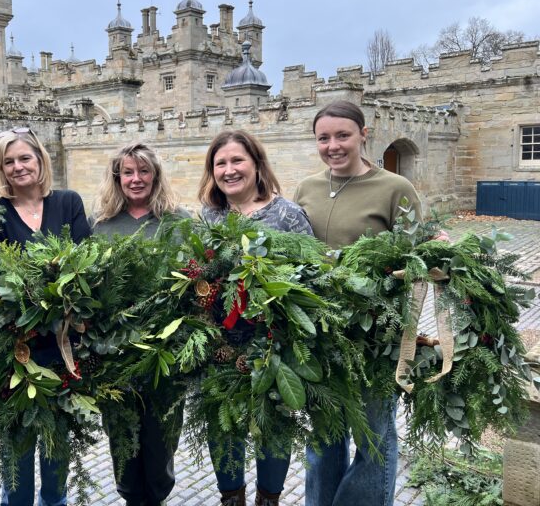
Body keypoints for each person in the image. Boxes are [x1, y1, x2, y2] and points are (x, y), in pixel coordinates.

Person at [293, 100, 422, 506]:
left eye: (343, 135)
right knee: (324, 436)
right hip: (319, 334)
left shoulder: (395, 188)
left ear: (363, 135)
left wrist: (407, 328)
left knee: (373, 436)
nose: (333, 145)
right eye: (324, 138)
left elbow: (418, 261)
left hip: (373, 336)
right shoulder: (307, 188)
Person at [198, 129, 313, 506]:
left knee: (272, 426)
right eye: (221, 163)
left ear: (256, 164)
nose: (229, 170)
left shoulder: (287, 214)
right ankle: (231, 499)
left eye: (237, 161)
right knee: (223, 427)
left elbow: (311, 275)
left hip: (271, 344)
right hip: (220, 345)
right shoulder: (209, 216)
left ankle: (269, 500)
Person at [0, 127, 91, 506]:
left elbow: (87, 261)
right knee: (15, 451)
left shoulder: (67, 202)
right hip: (17, 347)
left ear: (40, 159)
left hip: (63, 344)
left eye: (24, 158)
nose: (18, 167)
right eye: (8, 162)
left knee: (56, 447)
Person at [91, 142, 189, 506]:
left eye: (144, 171)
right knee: (122, 439)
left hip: (166, 358)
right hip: (114, 360)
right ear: (117, 178)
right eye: (128, 172)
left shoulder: (179, 222)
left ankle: (158, 496)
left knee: (161, 439)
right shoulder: (99, 225)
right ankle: (132, 497)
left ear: (156, 175)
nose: (136, 179)